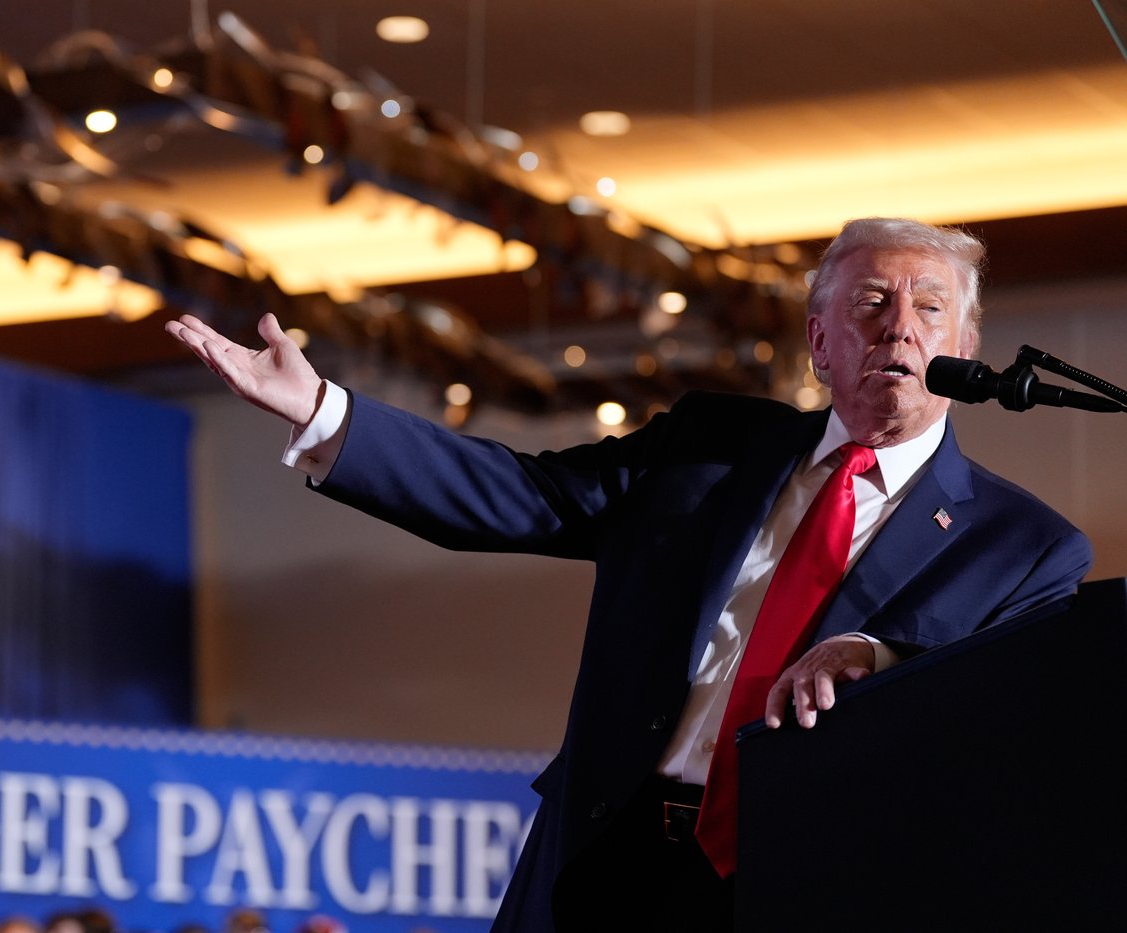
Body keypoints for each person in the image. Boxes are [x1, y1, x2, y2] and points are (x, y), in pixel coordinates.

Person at [165, 217, 1093, 932]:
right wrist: (325, 413)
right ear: (819, 342)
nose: (900, 328)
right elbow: (527, 496)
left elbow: (1004, 738)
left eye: (929, 308)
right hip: (611, 852)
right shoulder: (711, 446)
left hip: (800, 885)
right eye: (872, 303)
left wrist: (882, 656)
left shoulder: (1023, 547)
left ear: (967, 345)